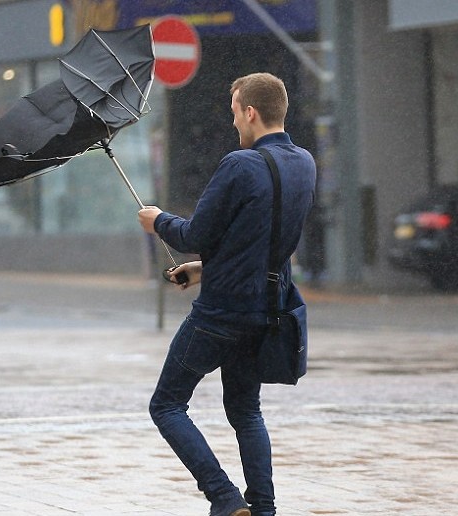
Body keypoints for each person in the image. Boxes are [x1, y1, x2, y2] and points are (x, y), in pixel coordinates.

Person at [137, 72, 316, 516]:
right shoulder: (304, 163)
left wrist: (157, 220)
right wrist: (205, 269)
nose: (234, 121)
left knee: (167, 404)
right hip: (269, 307)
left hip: (222, 312)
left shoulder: (240, 164)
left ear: (250, 112)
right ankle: (263, 509)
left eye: (235, 111)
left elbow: (195, 232)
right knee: (245, 410)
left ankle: (224, 498)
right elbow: (264, 236)